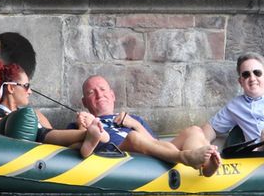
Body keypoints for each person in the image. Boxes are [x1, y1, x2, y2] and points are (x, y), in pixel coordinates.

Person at [72, 75, 221, 177]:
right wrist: (84, 124)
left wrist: (135, 124)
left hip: (150, 152)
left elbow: (155, 143)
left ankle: (206, 167)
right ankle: (185, 157)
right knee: (133, 137)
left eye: (103, 90)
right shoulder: (79, 123)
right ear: (85, 102)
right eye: (91, 93)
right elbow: (78, 146)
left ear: (112, 95)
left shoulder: (133, 119)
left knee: (194, 130)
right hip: (119, 154)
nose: (99, 95)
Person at [0, 59, 107, 157]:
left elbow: (54, 137)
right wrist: (12, 120)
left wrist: (81, 123)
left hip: (45, 149)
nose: (30, 91)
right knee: (37, 128)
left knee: (58, 138)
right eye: (26, 86)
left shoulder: (35, 114)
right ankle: (88, 135)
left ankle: (86, 136)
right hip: (23, 152)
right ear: (11, 88)